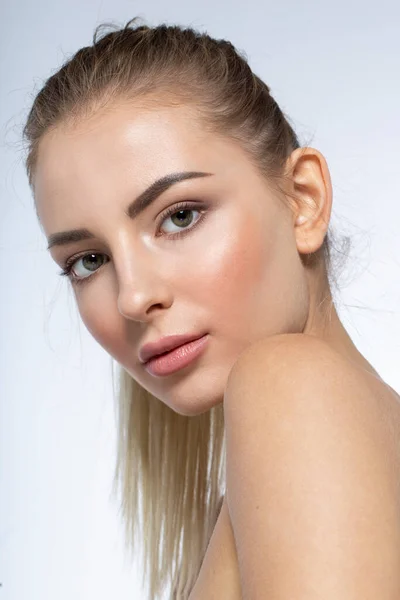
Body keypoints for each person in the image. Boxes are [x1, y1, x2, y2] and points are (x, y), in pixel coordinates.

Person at [22, 16, 400, 599]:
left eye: (180, 216)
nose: (132, 297)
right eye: (89, 261)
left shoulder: (293, 384)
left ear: (304, 200)